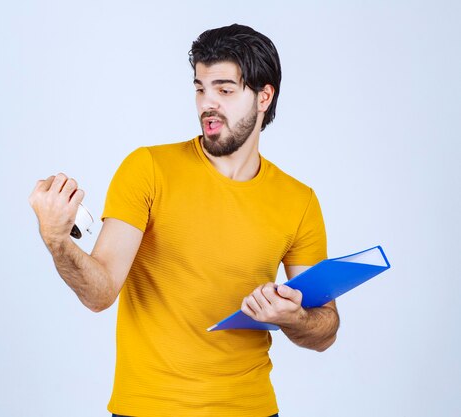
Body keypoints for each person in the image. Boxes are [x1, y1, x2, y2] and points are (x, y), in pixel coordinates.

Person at [29, 23, 340, 417]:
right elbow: (101, 292)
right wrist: (58, 242)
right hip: (148, 408)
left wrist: (293, 316)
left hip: (251, 409)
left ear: (264, 97)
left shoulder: (299, 201)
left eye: (225, 90)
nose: (208, 103)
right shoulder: (148, 169)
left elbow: (325, 329)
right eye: (200, 88)